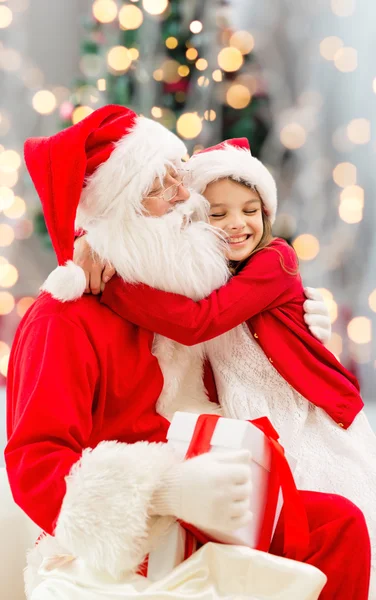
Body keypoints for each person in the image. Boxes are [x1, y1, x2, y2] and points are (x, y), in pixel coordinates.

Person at [5, 107, 370, 600]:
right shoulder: (62, 319)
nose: (187, 198)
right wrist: (164, 491)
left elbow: (238, 316)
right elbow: (36, 462)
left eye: (181, 176)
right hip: (137, 533)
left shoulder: (171, 291)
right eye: (162, 187)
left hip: (216, 491)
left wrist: (304, 316)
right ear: (121, 209)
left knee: (340, 525)